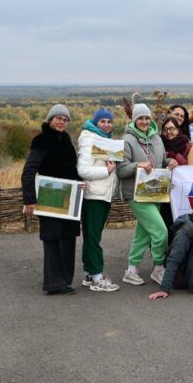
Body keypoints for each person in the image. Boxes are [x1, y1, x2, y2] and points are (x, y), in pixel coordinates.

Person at [116, 103, 178, 286]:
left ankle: (131, 270)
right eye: (140, 118)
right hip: (136, 193)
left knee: (143, 235)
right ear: (134, 120)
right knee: (161, 232)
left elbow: (159, 160)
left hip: (155, 191)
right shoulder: (126, 140)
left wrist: (169, 161)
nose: (144, 121)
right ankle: (159, 267)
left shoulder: (156, 137)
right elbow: (120, 170)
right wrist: (138, 165)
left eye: (146, 118)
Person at [21, 104, 80, 295]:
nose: (62, 121)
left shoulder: (67, 140)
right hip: (49, 197)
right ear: (50, 120)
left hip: (69, 197)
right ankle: (53, 283)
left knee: (68, 237)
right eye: (58, 118)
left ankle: (65, 281)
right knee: (53, 238)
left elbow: (71, 169)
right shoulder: (42, 140)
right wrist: (29, 200)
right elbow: (29, 171)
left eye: (65, 119)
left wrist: (80, 183)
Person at [77, 107, 120, 292]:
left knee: (93, 236)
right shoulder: (89, 140)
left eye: (109, 121)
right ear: (95, 122)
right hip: (93, 195)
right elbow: (83, 170)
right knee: (93, 237)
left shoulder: (107, 141)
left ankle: (89, 273)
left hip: (103, 195)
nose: (106, 124)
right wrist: (107, 171)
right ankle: (97, 276)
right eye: (102, 121)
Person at [160, 116, 191, 244]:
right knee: (165, 224)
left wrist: (173, 156)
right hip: (163, 191)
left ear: (178, 130)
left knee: (181, 224)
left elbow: (188, 165)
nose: (169, 132)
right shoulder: (159, 144)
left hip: (181, 192)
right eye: (166, 129)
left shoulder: (186, 145)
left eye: (172, 128)